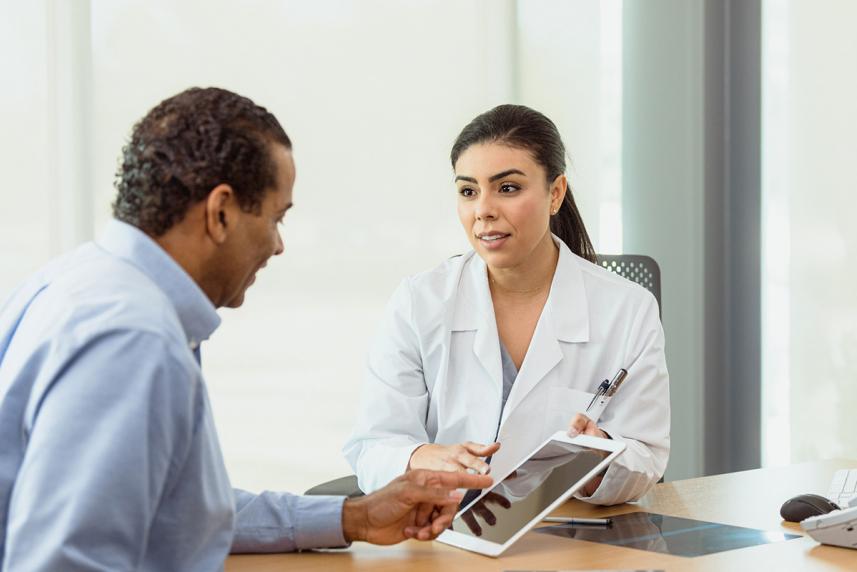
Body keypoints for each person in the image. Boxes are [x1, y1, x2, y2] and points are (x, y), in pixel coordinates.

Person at [0, 87, 491, 571]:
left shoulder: (75, 283)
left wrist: (354, 517)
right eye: (276, 218)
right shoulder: (133, 338)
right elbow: (64, 561)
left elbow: (173, 512)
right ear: (221, 213)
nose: (278, 246)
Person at [343, 104, 669, 506]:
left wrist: (597, 456)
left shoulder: (627, 309)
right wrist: (421, 458)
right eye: (468, 191)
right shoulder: (420, 302)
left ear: (555, 193)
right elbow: (373, 446)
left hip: (569, 539)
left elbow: (647, 458)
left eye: (508, 188)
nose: (483, 210)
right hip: (445, 532)